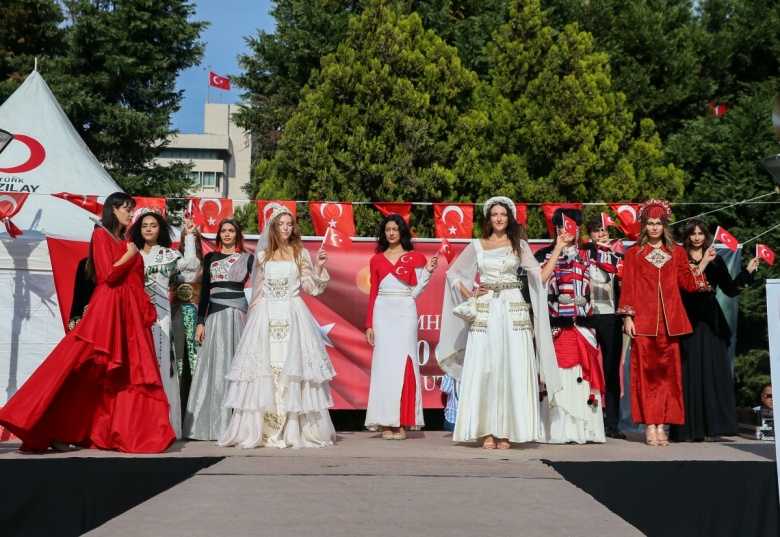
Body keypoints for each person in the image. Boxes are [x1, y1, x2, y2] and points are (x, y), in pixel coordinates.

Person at [0, 192, 175, 453]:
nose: (130, 213)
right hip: (108, 309)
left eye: (131, 209)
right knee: (76, 365)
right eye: (127, 208)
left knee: (126, 374)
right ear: (113, 209)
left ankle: (121, 431)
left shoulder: (123, 239)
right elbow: (108, 274)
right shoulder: (102, 235)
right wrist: (130, 255)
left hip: (128, 313)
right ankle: (39, 421)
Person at [438, 196, 562, 449]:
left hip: (513, 310)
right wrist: (470, 293)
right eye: (494, 214)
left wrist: (558, 249)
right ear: (488, 218)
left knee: (512, 367)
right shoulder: (478, 245)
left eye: (502, 214)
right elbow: (453, 273)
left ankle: (507, 431)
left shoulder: (520, 246)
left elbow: (540, 277)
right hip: (486, 310)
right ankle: (486, 431)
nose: (498, 218)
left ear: (509, 218)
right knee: (485, 366)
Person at [218, 206, 336, 448]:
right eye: (281, 223)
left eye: (289, 224)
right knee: (265, 370)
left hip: (293, 315)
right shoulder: (262, 256)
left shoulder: (300, 253)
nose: (286, 227)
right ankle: (262, 430)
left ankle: (293, 430)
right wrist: (252, 325)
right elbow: (258, 293)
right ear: (273, 227)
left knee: (291, 370)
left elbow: (311, 287)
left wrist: (320, 268)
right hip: (267, 316)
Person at [617, 199, 714, 446]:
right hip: (644, 323)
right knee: (646, 377)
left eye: (658, 223)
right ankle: (650, 424)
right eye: (650, 223)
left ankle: (663, 424)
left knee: (669, 377)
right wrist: (628, 316)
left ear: (665, 225)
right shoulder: (634, 254)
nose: (654, 227)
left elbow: (688, 283)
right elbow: (628, 286)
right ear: (644, 226)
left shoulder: (677, 253)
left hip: (671, 324)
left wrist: (702, 263)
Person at [669, 219, 757, 442]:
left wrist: (747, 272)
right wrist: (703, 263)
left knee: (712, 372)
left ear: (706, 235)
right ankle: (688, 429)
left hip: (711, 320)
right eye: (692, 233)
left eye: (700, 233)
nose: (697, 237)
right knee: (688, 372)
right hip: (686, 318)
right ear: (686, 236)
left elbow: (730, 290)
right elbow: (678, 287)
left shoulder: (716, 260)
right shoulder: (678, 258)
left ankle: (712, 428)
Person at [535, 208, 606, 444]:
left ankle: (584, 430)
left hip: (583, 325)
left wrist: (605, 250)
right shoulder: (543, 255)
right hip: (555, 326)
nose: (563, 231)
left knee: (582, 376)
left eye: (568, 227)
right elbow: (537, 286)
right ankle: (557, 430)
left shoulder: (591, 255)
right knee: (558, 375)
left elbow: (607, 281)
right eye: (559, 228)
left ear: (577, 230)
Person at [364, 214, 437, 440]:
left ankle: (404, 421)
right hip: (382, 311)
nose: (392, 233)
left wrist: (428, 273)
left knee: (406, 362)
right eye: (388, 229)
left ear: (402, 231)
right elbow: (373, 293)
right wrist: (369, 324)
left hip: (405, 310)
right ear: (384, 232)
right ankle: (387, 422)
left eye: (395, 229)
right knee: (384, 367)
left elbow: (415, 292)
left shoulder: (415, 257)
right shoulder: (376, 260)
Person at [183, 218, 253, 441]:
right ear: (219, 235)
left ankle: (240, 426)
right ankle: (211, 426)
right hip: (214, 317)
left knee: (237, 366)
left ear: (238, 234)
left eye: (231, 230)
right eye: (223, 231)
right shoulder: (211, 258)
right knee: (213, 368)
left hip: (238, 316)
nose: (227, 234)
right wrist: (200, 321)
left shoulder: (248, 259)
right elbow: (204, 293)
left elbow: (261, 285)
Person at [129, 209, 189, 438]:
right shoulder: (132, 253)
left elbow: (190, 265)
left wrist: (190, 237)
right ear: (138, 229)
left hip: (162, 316)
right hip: (136, 317)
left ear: (160, 229)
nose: (148, 229)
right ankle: (139, 424)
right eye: (144, 225)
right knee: (139, 368)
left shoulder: (169, 254)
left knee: (162, 365)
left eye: (153, 225)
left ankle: (163, 425)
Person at [582, 217, 625, 439]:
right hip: (587, 316)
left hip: (611, 316)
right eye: (598, 231)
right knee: (584, 369)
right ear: (590, 234)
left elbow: (627, 285)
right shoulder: (583, 254)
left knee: (611, 371)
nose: (602, 234)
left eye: (605, 230)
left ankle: (612, 423)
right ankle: (585, 419)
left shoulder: (619, 257)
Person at [170, 219, 203, 415]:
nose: (188, 237)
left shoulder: (202, 263)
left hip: (195, 312)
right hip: (175, 312)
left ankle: (197, 410)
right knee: (177, 359)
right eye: (184, 235)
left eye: (191, 235)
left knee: (195, 359)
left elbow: (193, 265)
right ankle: (178, 408)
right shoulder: (173, 259)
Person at [67, 257, 96, 331]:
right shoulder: (86, 263)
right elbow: (78, 295)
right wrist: (76, 317)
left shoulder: (117, 263)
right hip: (89, 316)